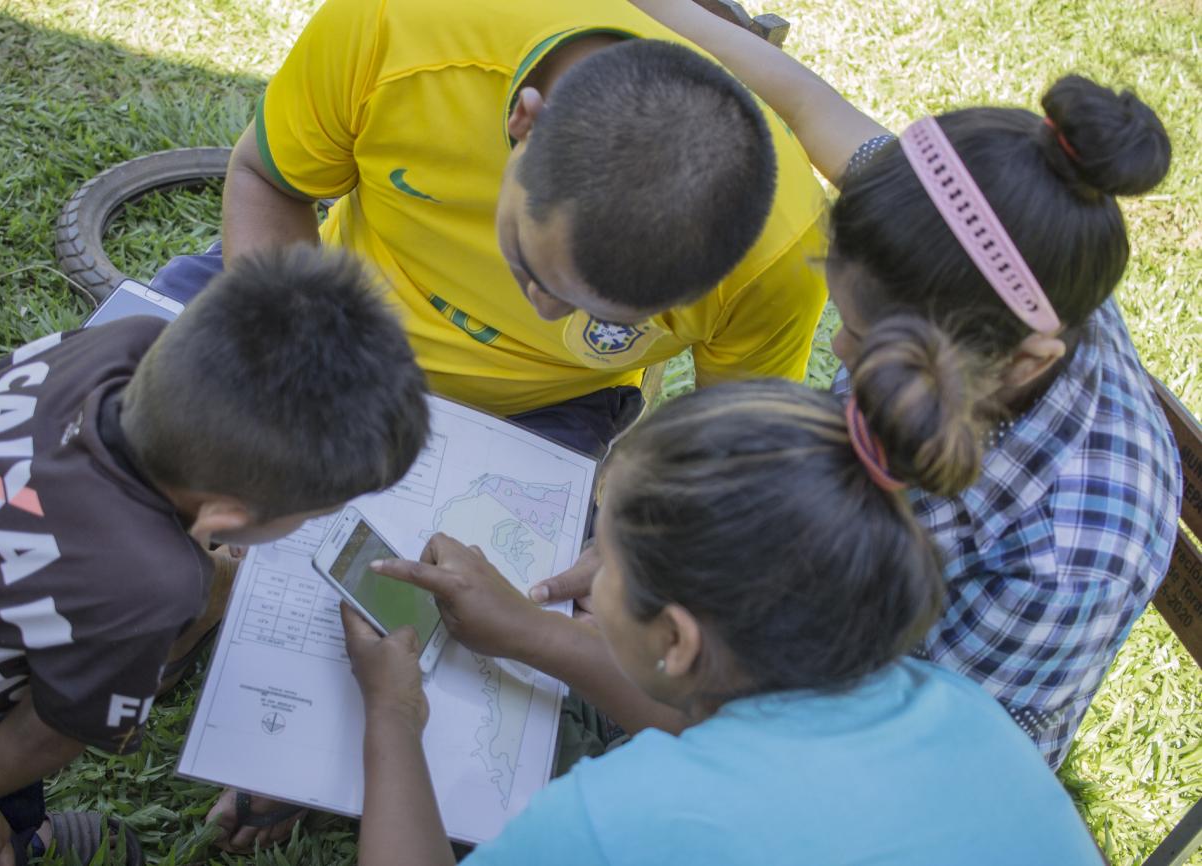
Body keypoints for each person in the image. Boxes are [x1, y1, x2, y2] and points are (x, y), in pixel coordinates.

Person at [570, 0, 1180, 769]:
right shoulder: (982, 245)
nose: (841, 355)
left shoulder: (1069, 553)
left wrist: (618, 634)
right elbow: (802, 100)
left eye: (862, 343)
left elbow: (877, 764)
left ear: (1021, 365)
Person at [348, 347, 1106, 865]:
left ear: (676, 641)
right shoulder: (960, 708)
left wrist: (391, 714)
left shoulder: (624, 815)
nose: (587, 570)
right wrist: (530, 632)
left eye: (603, 559)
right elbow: (725, 730)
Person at [0, 246, 429, 866]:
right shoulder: (149, 587)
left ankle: (20, 832)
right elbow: (50, 728)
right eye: (313, 511)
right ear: (228, 520)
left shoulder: (119, 346)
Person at [151, 0, 830, 461]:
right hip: (321, 297)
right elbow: (269, 180)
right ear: (525, 122)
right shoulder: (405, 24)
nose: (542, 313)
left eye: (602, 318)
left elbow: (735, 445)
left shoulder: (781, 256)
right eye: (533, 269)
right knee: (123, 412)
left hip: (548, 411)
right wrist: (295, 357)